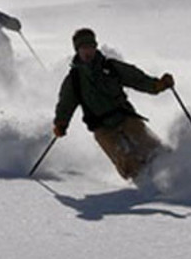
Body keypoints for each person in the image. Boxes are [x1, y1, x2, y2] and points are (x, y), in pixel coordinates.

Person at [52, 28, 175, 181]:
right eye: (83, 48)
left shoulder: (111, 67)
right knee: (125, 159)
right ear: (77, 51)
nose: (87, 51)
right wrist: (61, 123)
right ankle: (145, 185)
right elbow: (66, 103)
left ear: (95, 47)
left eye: (90, 46)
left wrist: (157, 85)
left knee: (151, 148)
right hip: (101, 127)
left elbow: (137, 79)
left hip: (125, 117)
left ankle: (174, 172)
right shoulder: (74, 79)